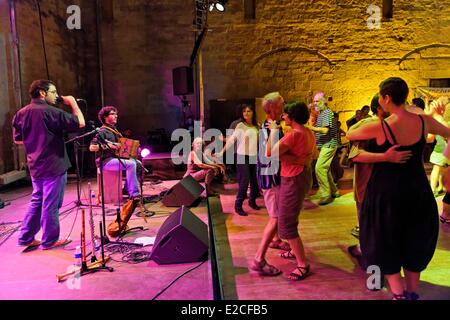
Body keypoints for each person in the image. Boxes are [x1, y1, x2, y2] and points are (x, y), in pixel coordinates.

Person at [347, 77, 450, 300]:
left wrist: (385, 155)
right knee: (415, 237)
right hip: (417, 191)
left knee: (385, 238)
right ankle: (412, 293)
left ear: (386, 98)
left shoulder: (381, 126)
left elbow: (350, 134)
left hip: (386, 193)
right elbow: (448, 132)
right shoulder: (423, 122)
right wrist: (433, 115)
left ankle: (398, 294)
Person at [13, 80, 85, 249]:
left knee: (37, 200)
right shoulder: (51, 111)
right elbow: (80, 122)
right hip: (54, 164)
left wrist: (36, 140)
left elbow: (18, 140)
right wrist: (73, 102)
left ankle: (26, 238)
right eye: (53, 92)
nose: (56, 96)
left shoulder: (21, 113)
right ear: (43, 93)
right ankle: (50, 240)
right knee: (51, 203)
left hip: (35, 165)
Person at [250, 92, 314, 276]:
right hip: (273, 179)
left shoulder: (276, 127)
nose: (284, 107)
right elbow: (267, 156)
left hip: (278, 177)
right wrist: (299, 160)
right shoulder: (272, 128)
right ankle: (259, 259)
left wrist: (299, 159)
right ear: (274, 108)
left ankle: (277, 245)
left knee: (282, 217)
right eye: (282, 104)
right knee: (278, 218)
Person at [347, 94, 412, 263]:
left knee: (380, 225)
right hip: (368, 185)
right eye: (389, 105)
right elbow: (356, 155)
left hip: (385, 186)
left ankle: (368, 252)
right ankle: (372, 264)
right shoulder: (370, 127)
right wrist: (385, 157)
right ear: (379, 108)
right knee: (369, 225)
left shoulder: (392, 126)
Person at [266, 101, 317, 281]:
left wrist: (272, 131)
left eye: (285, 114)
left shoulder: (294, 135)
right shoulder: (307, 131)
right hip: (302, 176)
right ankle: (296, 252)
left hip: (293, 179)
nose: (283, 117)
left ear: (292, 117)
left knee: (286, 224)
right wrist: (297, 159)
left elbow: (269, 153)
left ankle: (302, 264)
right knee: (289, 218)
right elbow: (310, 156)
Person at [216, 104, 260, 216]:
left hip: (253, 156)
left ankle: (252, 201)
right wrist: (221, 152)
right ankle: (238, 205)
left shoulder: (256, 126)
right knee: (244, 181)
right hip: (242, 156)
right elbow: (231, 141)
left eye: (249, 111)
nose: (246, 113)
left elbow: (259, 143)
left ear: (253, 112)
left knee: (255, 182)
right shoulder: (240, 125)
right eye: (244, 111)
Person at [89, 106, 141, 200]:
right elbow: (92, 147)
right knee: (131, 164)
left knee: (138, 163)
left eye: (116, 114)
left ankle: (126, 188)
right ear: (105, 117)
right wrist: (110, 146)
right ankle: (134, 194)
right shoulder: (102, 131)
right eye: (112, 114)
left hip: (115, 159)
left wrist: (134, 148)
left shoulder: (114, 130)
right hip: (105, 161)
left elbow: (121, 146)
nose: (116, 116)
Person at [307, 92, 339, 205]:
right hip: (326, 144)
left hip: (329, 144)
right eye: (314, 101)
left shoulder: (326, 113)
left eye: (318, 101)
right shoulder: (321, 113)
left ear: (324, 101)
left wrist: (310, 127)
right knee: (325, 169)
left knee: (319, 168)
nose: (315, 103)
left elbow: (325, 130)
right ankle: (334, 191)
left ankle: (326, 194)